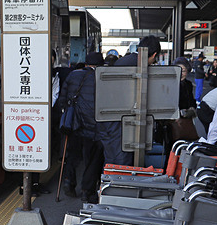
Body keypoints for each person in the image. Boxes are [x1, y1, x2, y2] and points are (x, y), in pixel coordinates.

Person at [105, 35, 161, 165]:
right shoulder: (146, 68)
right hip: (130, 120)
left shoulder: (121, 61)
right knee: (125, 160)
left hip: (111, 117)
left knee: (112, 158)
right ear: (154, 55)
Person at [60, 51, 104, 201]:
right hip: (93, 125)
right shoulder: (101, 78)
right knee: (92, 159)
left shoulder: (73, 75)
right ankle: (87, 190)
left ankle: (68, 182)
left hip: (74, 123)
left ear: (86, 64)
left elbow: (63, 99)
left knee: (73, 154)